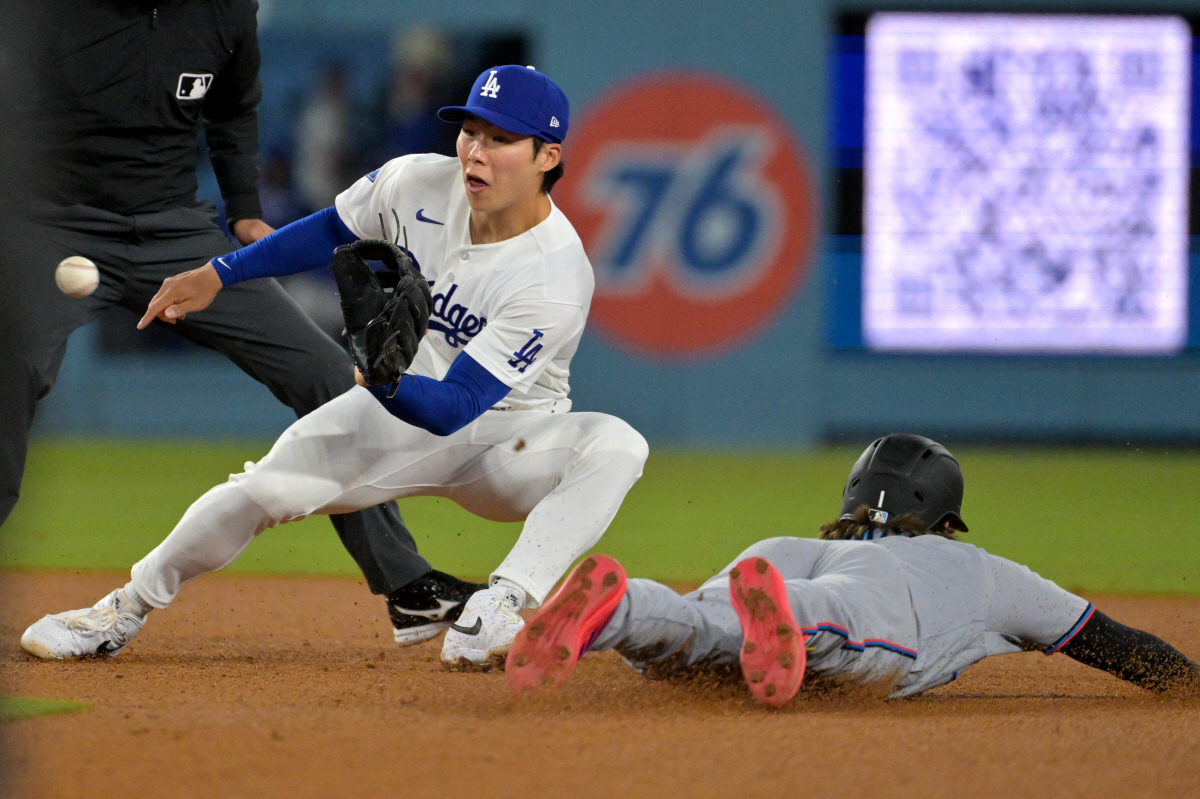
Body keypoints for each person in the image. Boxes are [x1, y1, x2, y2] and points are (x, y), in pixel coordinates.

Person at [20, 65, 650, 670]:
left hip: (510, 443)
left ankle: (502, 605)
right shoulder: (416, 183)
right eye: (470, 131)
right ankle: (121, 610)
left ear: (548, 156)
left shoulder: (555, 276)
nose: (475, 152)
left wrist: (384, 379)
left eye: (502, 139)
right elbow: (329, 229)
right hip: (400, 409)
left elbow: (458, 408)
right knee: (262, 489)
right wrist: (221, 272)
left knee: (616, 445)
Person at [0, 0, 483, 644]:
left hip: (175, 231)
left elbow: (232, 110)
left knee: (327, 376)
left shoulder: (225, 9)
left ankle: (406, 585)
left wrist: (245, 210)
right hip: (50, 227)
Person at [506, 434, 1200, 705]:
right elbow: (1110, 641)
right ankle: (789, 618)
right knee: (840, 618)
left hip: (778, 555)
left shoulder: (787, 539)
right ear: (944, 510)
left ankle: (620, 608)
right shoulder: (973, 566)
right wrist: (1188, 681)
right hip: (858, 589)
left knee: (704, 625)